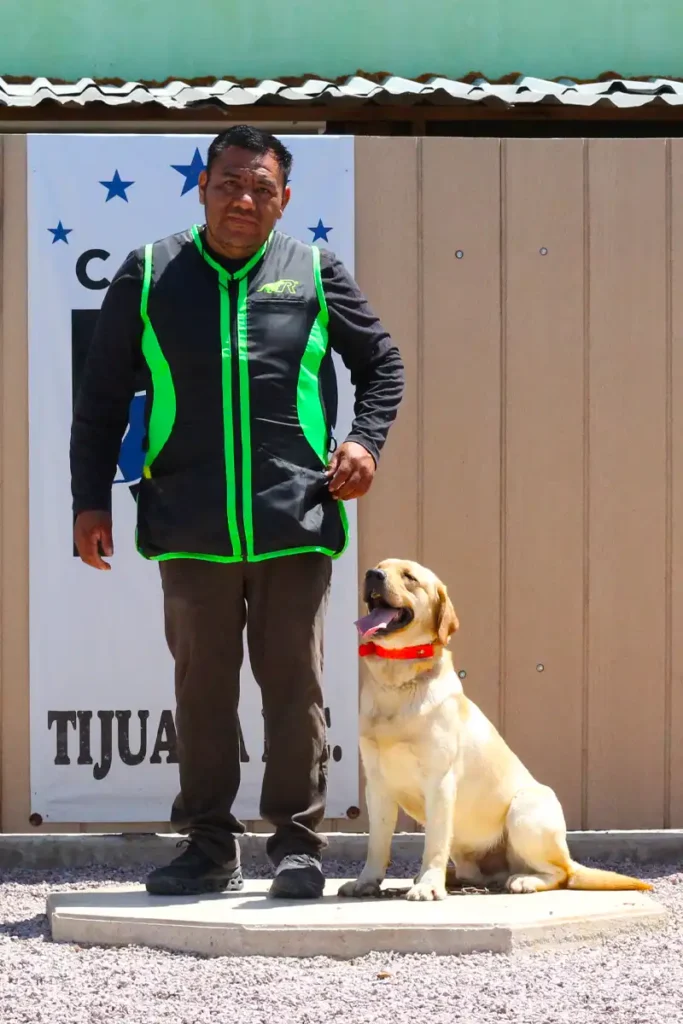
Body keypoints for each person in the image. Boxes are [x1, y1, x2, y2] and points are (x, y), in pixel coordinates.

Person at [70, 125, 404, 900]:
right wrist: (91, 500)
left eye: (260, 188)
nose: (243, 200)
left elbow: (381, 362)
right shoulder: (150, 271)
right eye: (229, 184)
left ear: (284, 199)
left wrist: (365, 441)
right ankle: (208, 847)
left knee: (293, 687)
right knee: (202, 690)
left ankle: (296, 844)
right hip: (188, 523)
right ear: (203, 188)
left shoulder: (315, 273)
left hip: (296, 519)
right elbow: (100, 400)